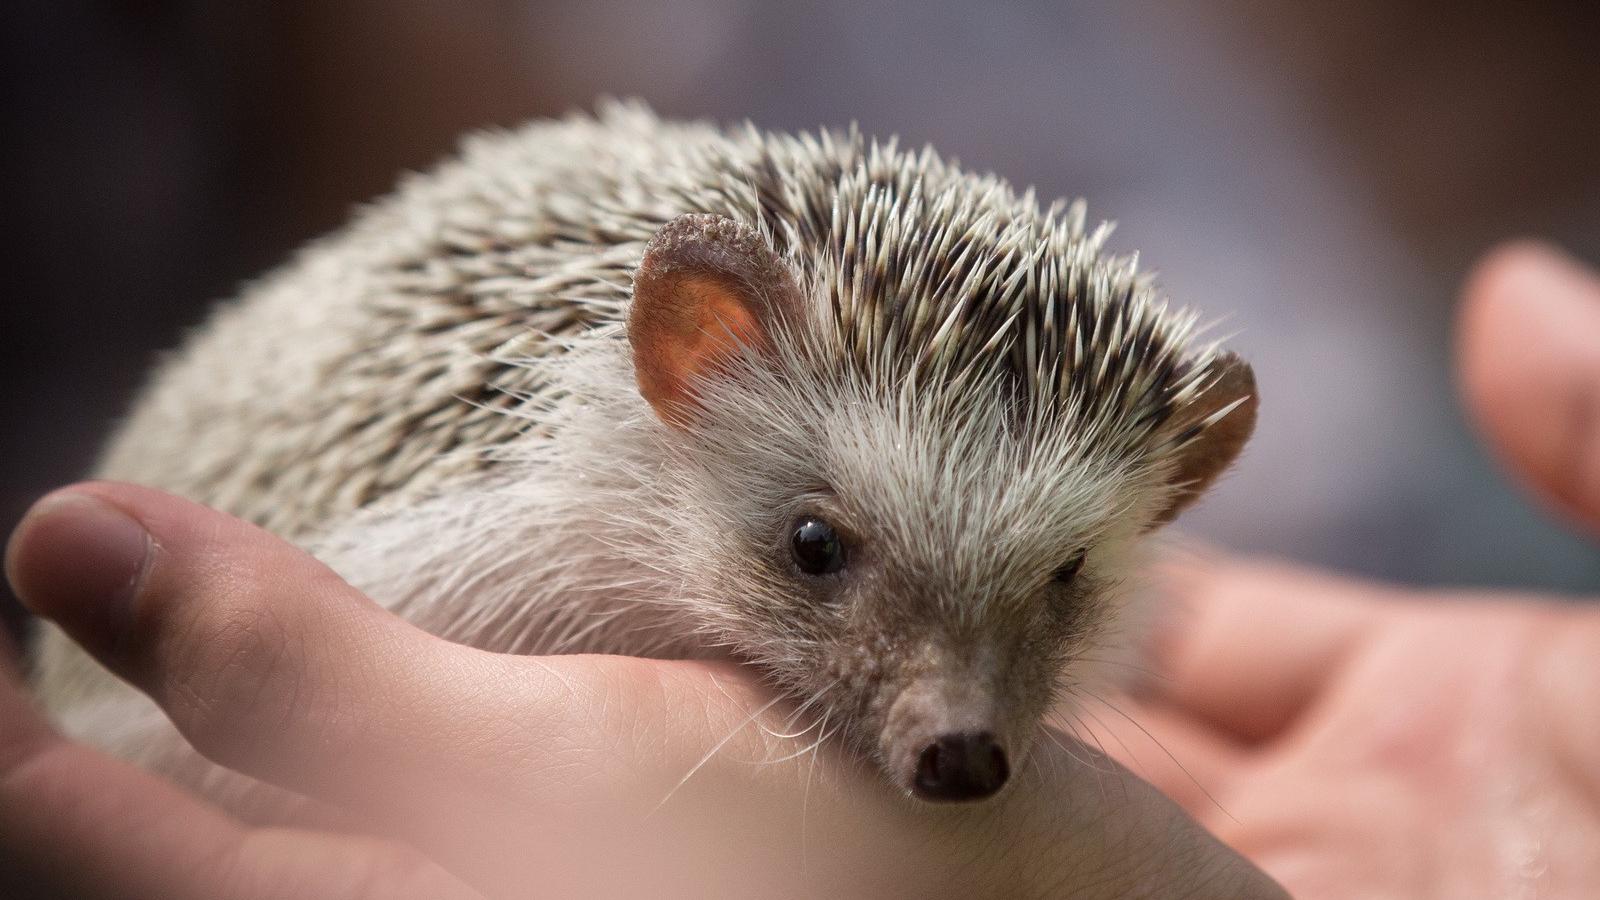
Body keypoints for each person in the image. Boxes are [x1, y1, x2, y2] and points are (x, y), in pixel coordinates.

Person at [2, 241, 1595, 898]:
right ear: (687, 369)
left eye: (1051, 594)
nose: (961, 722)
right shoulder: (544, 511)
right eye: (821, 553)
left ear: (1176, 491)